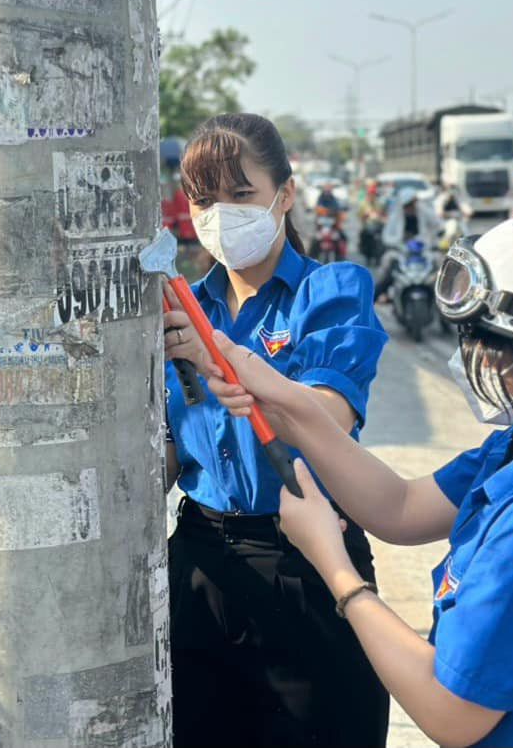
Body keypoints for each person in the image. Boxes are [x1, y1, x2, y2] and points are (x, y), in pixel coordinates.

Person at [204, 185, 513, 747]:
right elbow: (398, 507)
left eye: (485, 343)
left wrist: (335, 568)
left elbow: (451, 714)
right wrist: (276, 391)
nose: (474, 361)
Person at [162, 113, 390, 746]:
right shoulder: (181, 307)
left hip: (309, 563)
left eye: (241, 195)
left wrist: (220, 360)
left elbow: (324, 420)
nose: (221, 215)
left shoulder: (330, 292)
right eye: (204, 199)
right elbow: (169, 443)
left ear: (284, 196)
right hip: (202, 565)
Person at [373, 186, 440, 302]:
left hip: (423, 250)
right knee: (388, 262)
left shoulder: (423, 211)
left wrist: (431, 238)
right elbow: (386, 237)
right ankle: (379, 295)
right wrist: (400, 241)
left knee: (440, 262)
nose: (410, 207)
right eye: (408, 204)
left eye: (412, 203)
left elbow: (437, 225)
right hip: (401, 251)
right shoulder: (395, 216)